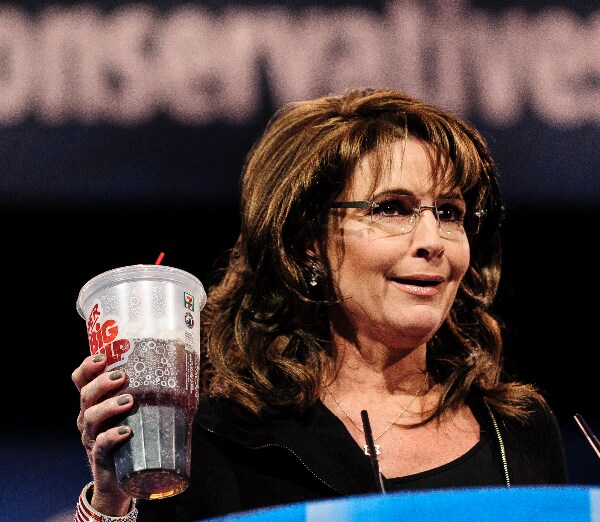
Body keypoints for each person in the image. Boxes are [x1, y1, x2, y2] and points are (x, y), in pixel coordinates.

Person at [71, 88, 568, 521]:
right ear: (309, 242)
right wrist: (112, 502)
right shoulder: (220, 437)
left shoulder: (519, 432)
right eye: (391, 209)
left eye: (450, 212)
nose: (433, 241)